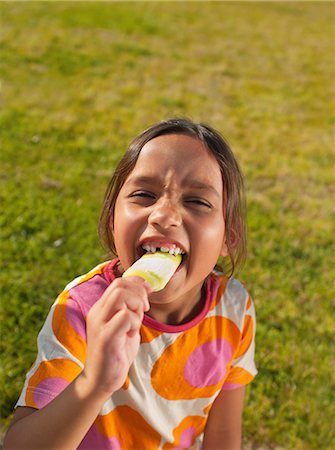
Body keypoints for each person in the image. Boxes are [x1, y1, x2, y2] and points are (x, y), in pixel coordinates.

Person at [4, 118, 257, 450]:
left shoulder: (233, 310)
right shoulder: (83, 310)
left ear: (229, 237)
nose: (164, 216)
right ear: (112, 219)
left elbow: (223, 437)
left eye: (197, 201)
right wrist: (94, 383)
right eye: (144, 194)